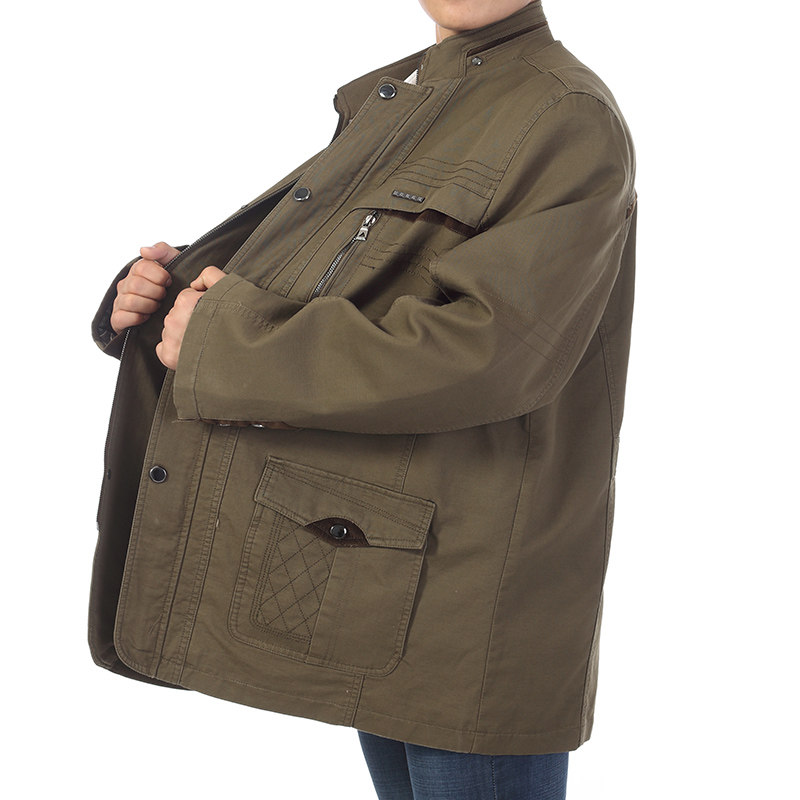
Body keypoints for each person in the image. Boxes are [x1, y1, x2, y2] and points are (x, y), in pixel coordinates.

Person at [90, 1, 636, 797]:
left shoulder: (562, 112)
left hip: (471, 591)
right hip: (395, 568)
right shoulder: (409, 95)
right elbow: (342, 289)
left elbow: (493, 351)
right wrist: (166, 297)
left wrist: (220, 342)